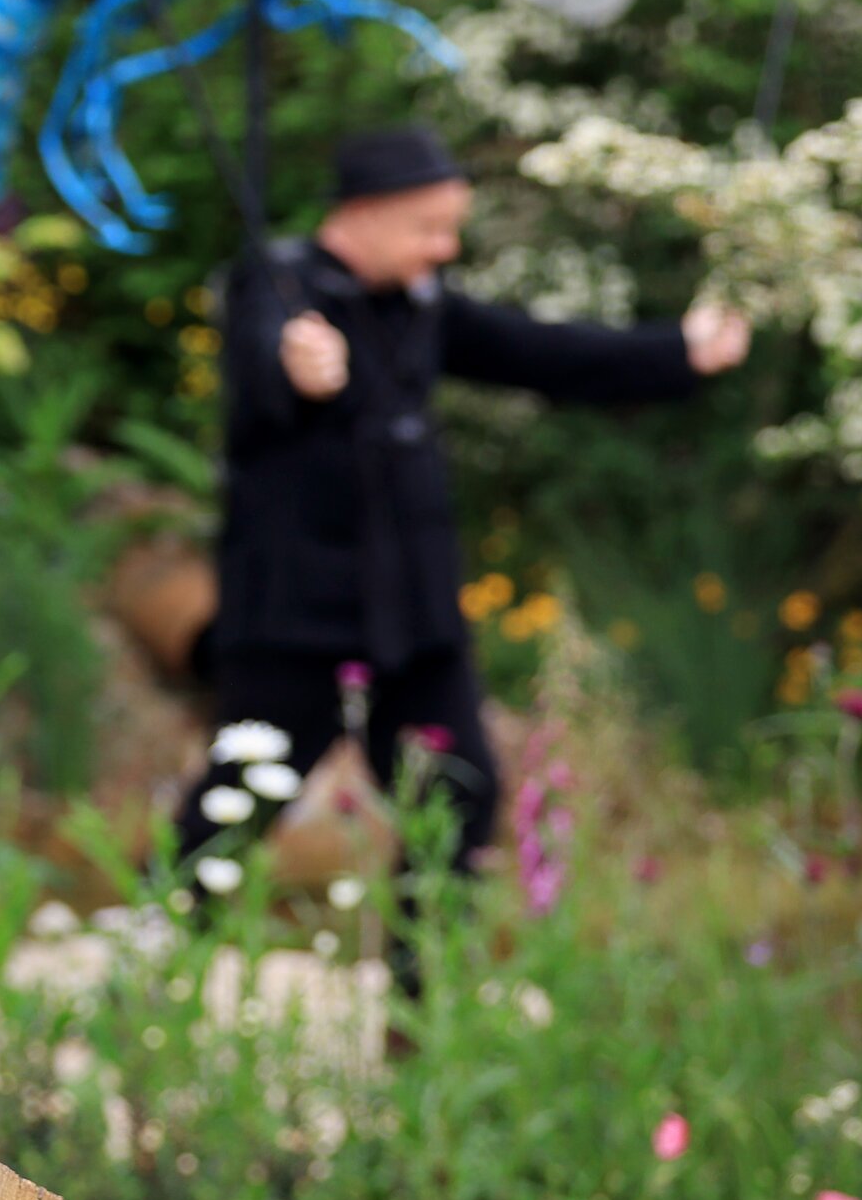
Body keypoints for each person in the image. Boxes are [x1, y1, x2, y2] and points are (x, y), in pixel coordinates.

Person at [172, 124, 749, 883]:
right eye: (429, 228)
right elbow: (265, 362)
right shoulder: (276, 283)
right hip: (296, 619)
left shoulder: (421, 303)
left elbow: (542, 352)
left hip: (413, 618)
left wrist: (679, 350)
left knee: (458, 798)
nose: (444, 248)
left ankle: (422, 990)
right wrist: (300, 371)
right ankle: (158, 958)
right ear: (364, 212)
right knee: (239, 803)